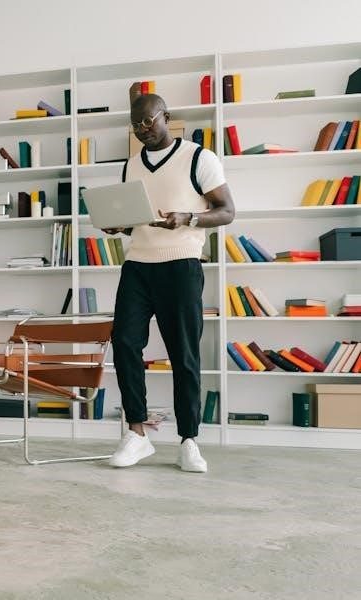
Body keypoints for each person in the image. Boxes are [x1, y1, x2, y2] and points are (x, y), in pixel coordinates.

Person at [103, 94, 235, 473]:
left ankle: (189, 441)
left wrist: (188, 218)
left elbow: (227, 211)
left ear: (166, 117)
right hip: (137, 265)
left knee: (184, 354)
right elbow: (138, 220)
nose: (143, 130)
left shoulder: (199, 158)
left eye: (148, 121)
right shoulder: (131, 165)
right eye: (136, 125)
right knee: (125, 343)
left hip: (181, 265)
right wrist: (120, 226)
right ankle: (136, 433)